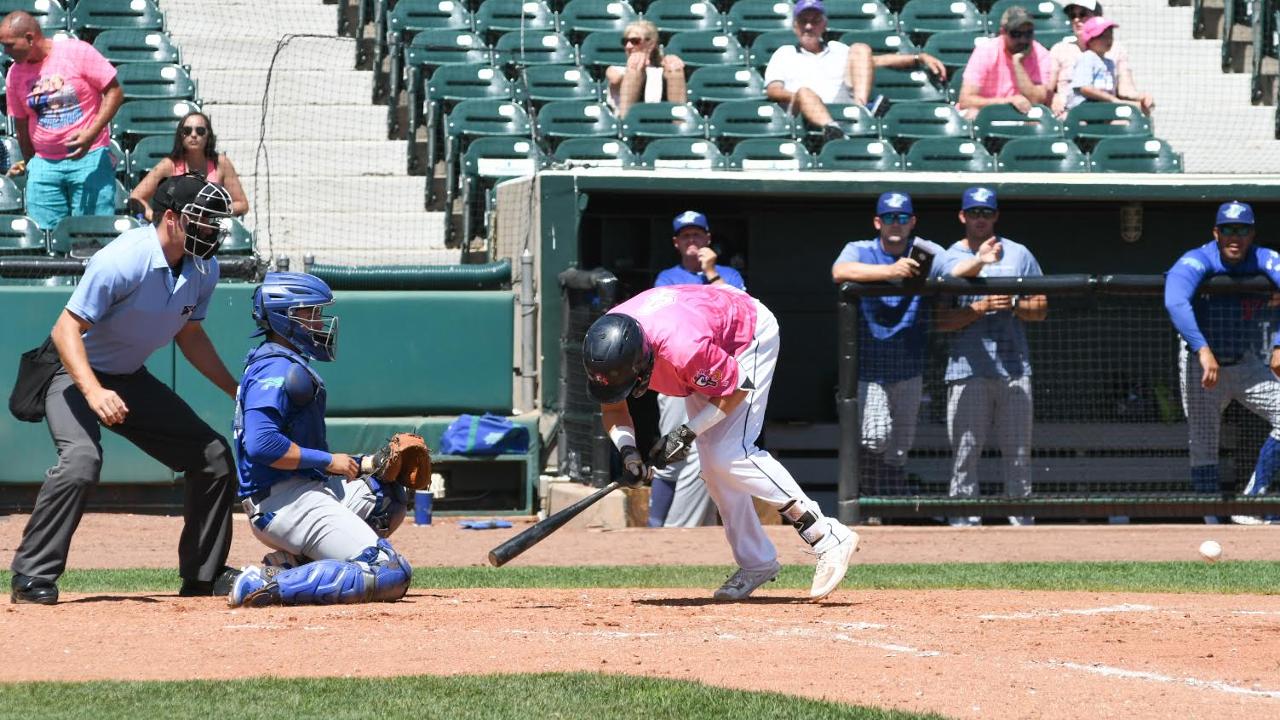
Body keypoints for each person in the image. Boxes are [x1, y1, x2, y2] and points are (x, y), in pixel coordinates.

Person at [9, 175, 239, 605]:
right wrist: (93, 392)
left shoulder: (203, 268)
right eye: (203, 221)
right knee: (81, 460)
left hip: (128, 377)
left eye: (215, 223)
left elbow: (190, 337)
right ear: (171, 219)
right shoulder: (124, 259)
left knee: (212, 456)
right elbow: (65, 330)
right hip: (73, 374)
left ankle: (203, 576)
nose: (213, 231)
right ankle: (30, 576)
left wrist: (235, 390)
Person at [583, 284, 858, 601]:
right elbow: (614, 407)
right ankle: (756, 562)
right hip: (703, 333)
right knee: (713, 466)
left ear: (643, 362)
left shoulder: (685, 350)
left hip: (744, 336)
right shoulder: (604, 345)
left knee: (730, 454)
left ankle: (825, 534)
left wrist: (686, 433)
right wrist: (628, 453)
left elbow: (738, 386)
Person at [228, 272, 414, 607]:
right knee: (389, 570)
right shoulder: (277, 369)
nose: (318, 322)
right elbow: (262, 445)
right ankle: (268, 585)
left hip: (298, 490)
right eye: (309, 313)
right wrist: (330, 461)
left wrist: (367, 464)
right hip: (285, 503)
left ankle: (293, 565)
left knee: (383, 494)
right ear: (284, 318)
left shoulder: (280, 361)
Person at [934, 187, 1047, 527]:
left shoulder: (1019, 254)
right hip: (966, 370)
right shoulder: (949, 256)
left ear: (995, 216)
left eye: (986, 212)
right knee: (966, 453)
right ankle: (963, 524)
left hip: (1014, 369)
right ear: (962, 216)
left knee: (1017, 454)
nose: (979, 218)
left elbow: (1041, 308)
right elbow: (940, 321)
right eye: (973, 212)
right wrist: (980, 307)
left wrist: (1012, 303)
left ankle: (1020, 524)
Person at [1164, 202, 1280, 526]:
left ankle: (1251, 502)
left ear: (1251, 233)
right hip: (1200, 365)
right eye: (1228, 229)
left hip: (1244, 363)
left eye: (1242, 229)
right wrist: (1202, 349)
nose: (1235, 236)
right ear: (1216, 232)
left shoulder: (1263, 258)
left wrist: (1279, 343)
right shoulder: (1200, 258)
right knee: (1203, 446)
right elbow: (1174, 299)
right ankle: (1211, 525)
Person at [831, 192, 944, 496]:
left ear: (912, 222)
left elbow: (954, 269)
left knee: (900, 447)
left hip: (910, 366)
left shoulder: (925, 250)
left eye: (903, 217)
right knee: (875, 437)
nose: (897, 223)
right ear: (878, 222)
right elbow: (839, 272)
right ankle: (867, 497)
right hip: (870, 368)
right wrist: (890, 272)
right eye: (890, 218)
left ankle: (888, 504)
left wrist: (980, 262)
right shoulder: (861, 249)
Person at [649, 211, 746, 528]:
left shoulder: (727, 274)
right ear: (677, 243)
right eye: (686, 236)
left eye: (698, 235)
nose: (693, 240)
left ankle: (701, 532)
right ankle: (654, 527)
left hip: (717, 375)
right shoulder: (667, 277)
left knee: (709, 453)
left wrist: (710, 271)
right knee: (672, 451)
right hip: (676, 376)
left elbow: (742, 308)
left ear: (708, 239)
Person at [0, 11, 123, 230]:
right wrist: (33, 164)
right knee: (46, 237)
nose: (5, 51)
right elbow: (21, 124)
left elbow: (114, 92)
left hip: (90, 158)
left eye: (9, 45)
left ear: (29, 38)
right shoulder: (14, 74)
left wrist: (91, 133)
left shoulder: (77, 52)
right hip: (44, 165)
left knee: (91, 237)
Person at [765, 0, 946, 141]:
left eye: (815, 21)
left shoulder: (838, 49)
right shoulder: (784, 53)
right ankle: (832, 129)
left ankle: (862, 111)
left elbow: (875, 61)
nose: (809, 27)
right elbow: (773, 90)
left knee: (860, 49)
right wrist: (801, 97)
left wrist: (918, 57)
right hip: (804, 112)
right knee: (805, 92)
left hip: (845, 106)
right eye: (804, 21)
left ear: (824, 25)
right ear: (795, 26)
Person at [129, 111, 249, 222]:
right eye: (187, 131)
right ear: (181, 136)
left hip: (210, 230)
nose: (193, 135)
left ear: (208, 135)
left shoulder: (221, 163)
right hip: (177, 233)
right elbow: (136, 197)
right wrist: (155, 217)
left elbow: (242, 204)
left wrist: (212, 211)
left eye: (200, 131)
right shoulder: (168, 165)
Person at [1050, 1, 1152, 117]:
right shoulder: (1060, 48)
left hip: (1107, 110)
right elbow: (1049, 88)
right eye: (1073, 16)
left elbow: (1125, 88)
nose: (1077, 19)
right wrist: (1055, 97)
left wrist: (1142, 98)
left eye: (1083, 14)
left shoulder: (1116, 49)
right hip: (1070, 113)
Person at [956, 6, 1054, 120]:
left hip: (1020, 116)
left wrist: (1018, 63)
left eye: (1028, 33)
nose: (1023, 40)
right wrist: (1007, 102)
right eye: (1016, 34)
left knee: (1038, 118)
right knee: (972, 114)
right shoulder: (986, 51)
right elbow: (965, 100)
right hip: (987, 113)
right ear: (1003, 32)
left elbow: (1037, 100)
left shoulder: (1041, 55)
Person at [605, 20, 686, 119]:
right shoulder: (616, 69)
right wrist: (635, 68)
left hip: (663, 120)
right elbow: (615, 78)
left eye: (635, 41)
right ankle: (626, 125)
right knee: (634, 71)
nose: (628, 46)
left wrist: (673, 65)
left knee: (675, 70)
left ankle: (679, 125)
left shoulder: (663, 69)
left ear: (651, 44)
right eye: (625, 42)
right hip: (629, 119)